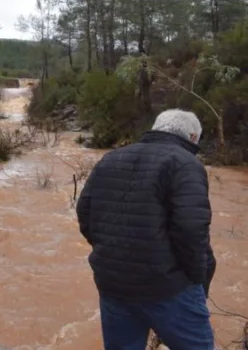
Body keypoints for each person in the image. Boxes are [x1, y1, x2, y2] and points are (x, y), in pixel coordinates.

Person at [76, 109, 216, 350]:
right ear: (193, 137)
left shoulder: (111, 158)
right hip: (167, 286)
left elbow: (85, 213)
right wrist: (196, 277)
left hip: (113, 282)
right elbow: (191, 230)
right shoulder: (185, 163)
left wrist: (109, 252)